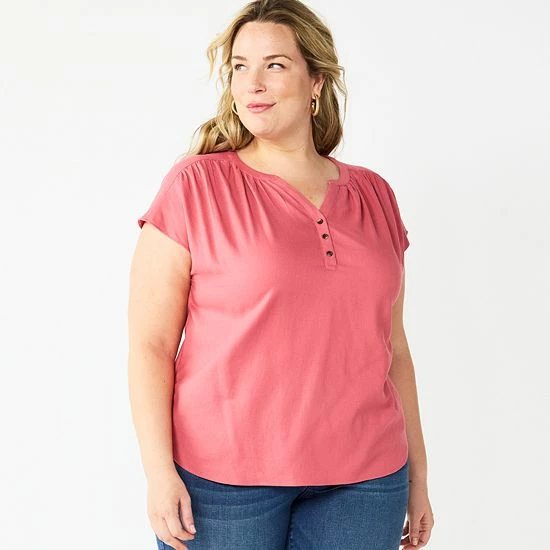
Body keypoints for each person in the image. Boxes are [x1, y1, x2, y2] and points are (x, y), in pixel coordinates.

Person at [128, 0, 434, 548]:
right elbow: (151, 345)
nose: (253, 83)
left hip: (366, 479)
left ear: (316, 81)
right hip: (222, 481)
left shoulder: (374, 194)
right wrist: (157, 471)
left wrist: (418, 476)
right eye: (240, 66)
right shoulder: (195, 186)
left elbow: (395, 348)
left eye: (275, 64)